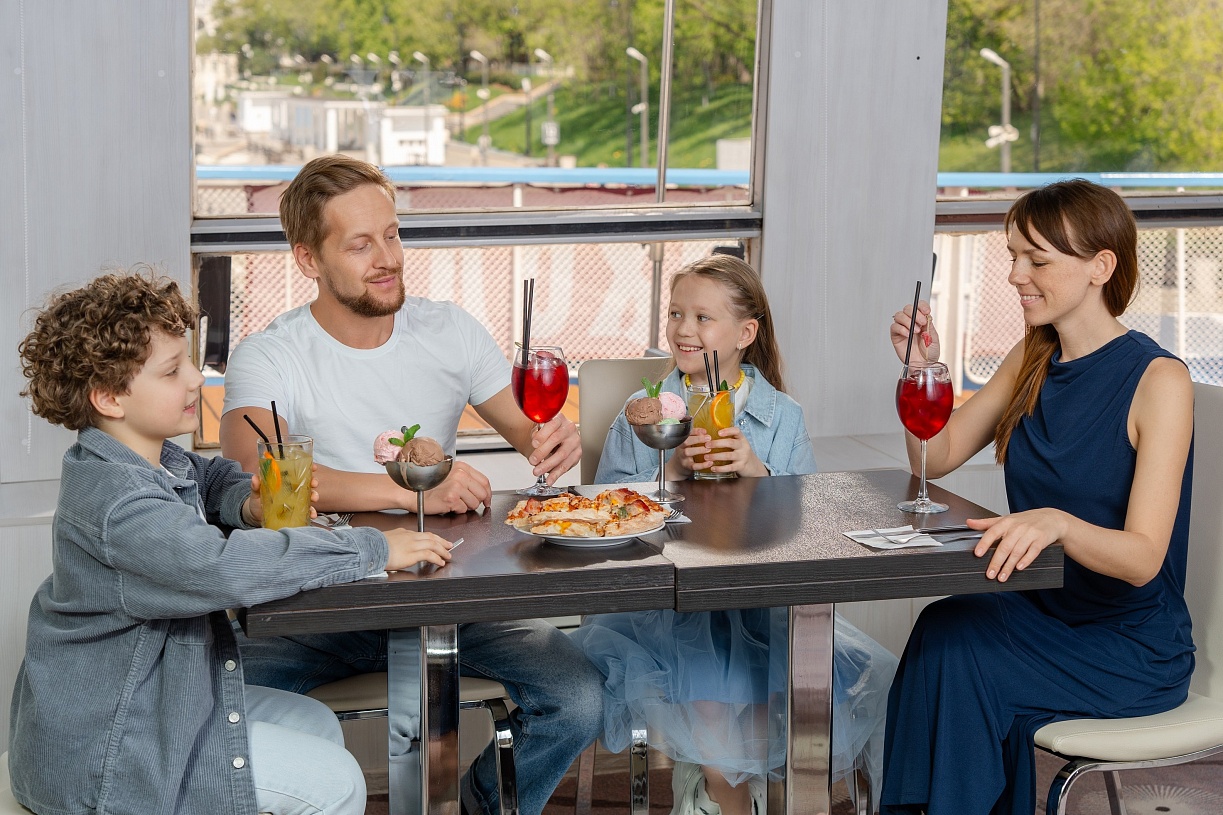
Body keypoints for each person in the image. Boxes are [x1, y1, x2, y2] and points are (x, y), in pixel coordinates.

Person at [217, 154, 603, 815]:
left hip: (449, 598)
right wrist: (411, 491)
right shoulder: (270, 353)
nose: (388, 258)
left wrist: (554, 436)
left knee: (579, 698)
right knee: (203, 704)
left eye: (392, 234)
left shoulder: (448, 329)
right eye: (360, 244)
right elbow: (257, 473)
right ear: (308, 259)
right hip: (315, 605)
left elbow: (531, 432)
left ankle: (482, 803)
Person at [8, 270, 454, 815]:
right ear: (108, 397)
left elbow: (210, 479)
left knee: (314, 722)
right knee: (337, 781)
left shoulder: (145, 459)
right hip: (108, 750)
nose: (196, 378)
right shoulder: (118, 502)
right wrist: (373, 549)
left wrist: (249, 503)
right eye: (172, 370)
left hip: (157, 699)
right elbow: (223, 568)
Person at [880, 179, 1196, 815]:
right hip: (1042, 612)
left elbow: (1142, 559)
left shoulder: (1159, 380)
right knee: (944, 625)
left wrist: (1058, 523)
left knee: (963, 651)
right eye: (1013, 256)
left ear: (1100, 267)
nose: (1015, 275)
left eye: (1037, 260)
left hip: (1128, 646)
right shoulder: (1032, 353)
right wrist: (919, 369)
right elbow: (934, 456)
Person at [573, 254, 898, 815]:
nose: (683, 328)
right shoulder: (641, 413)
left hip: (762, 605)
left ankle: (729, 793)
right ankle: (725, 797)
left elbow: (810, 525)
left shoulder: (782, 416)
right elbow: (605, 511)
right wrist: (670, 472)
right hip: (669, 609)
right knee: (709, 684)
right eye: (676, 313)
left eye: (703, 317)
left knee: (776, 682)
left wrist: (759, 473)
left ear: (746, 333)